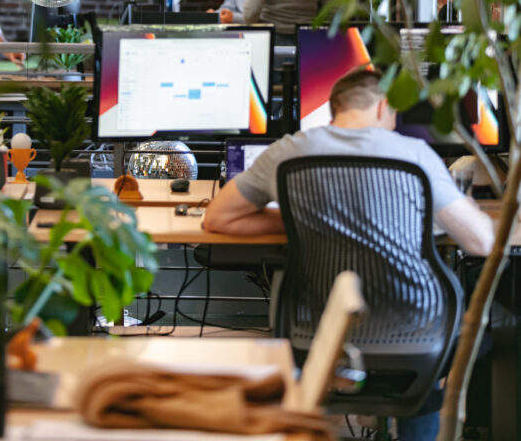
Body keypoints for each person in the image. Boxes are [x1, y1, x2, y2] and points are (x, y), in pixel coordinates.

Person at [203, 68, 494, 441]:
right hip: (417, 327)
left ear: (333, 108)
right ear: (383, 107)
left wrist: (302, 220)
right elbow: (481, 244)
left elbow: (217, 219)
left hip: (319, 325)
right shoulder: (413, 153)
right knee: (488, 326)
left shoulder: (289, 150)